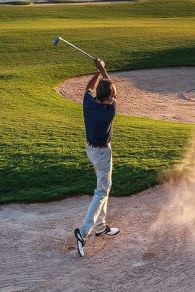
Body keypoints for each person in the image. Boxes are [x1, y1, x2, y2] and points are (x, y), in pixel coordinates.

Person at [74, 58, 120, 257]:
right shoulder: (109, 111)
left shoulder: (88, 103)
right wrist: (102, 70)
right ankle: (83, 231)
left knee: (104, 186)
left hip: (91, 150)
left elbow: (88, 88)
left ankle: (101, 226)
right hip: (102, 154)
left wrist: (98, 72)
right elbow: (113, 92)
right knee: (101, 191)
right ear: (108, 98)